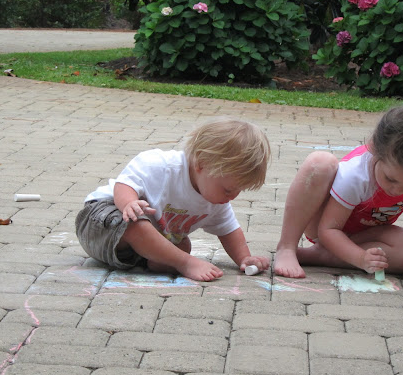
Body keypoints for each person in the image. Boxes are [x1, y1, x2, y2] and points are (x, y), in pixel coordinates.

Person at [75, 117, 271, 282]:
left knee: (183, 245)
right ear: (201, 163)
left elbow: (229, 230)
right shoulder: (161, 165)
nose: (233, 197)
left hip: (126, 253)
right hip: (100, 221)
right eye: (228, 189)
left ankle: (157, 261)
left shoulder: (216, 201)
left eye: (239, 190)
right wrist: (129, 203)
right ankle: (184, 262)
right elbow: (124, 184)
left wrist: (245, 258)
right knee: (136, 222)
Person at [274, 98, 403, 278]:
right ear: (374, 149)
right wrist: (359, 258)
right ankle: (287, 248)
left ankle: (318, 256)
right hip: (327, 227)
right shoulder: (356, 175)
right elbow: (328, 230)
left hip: (367, 234)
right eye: (390, 179)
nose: (397, 190)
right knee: (319, 163)